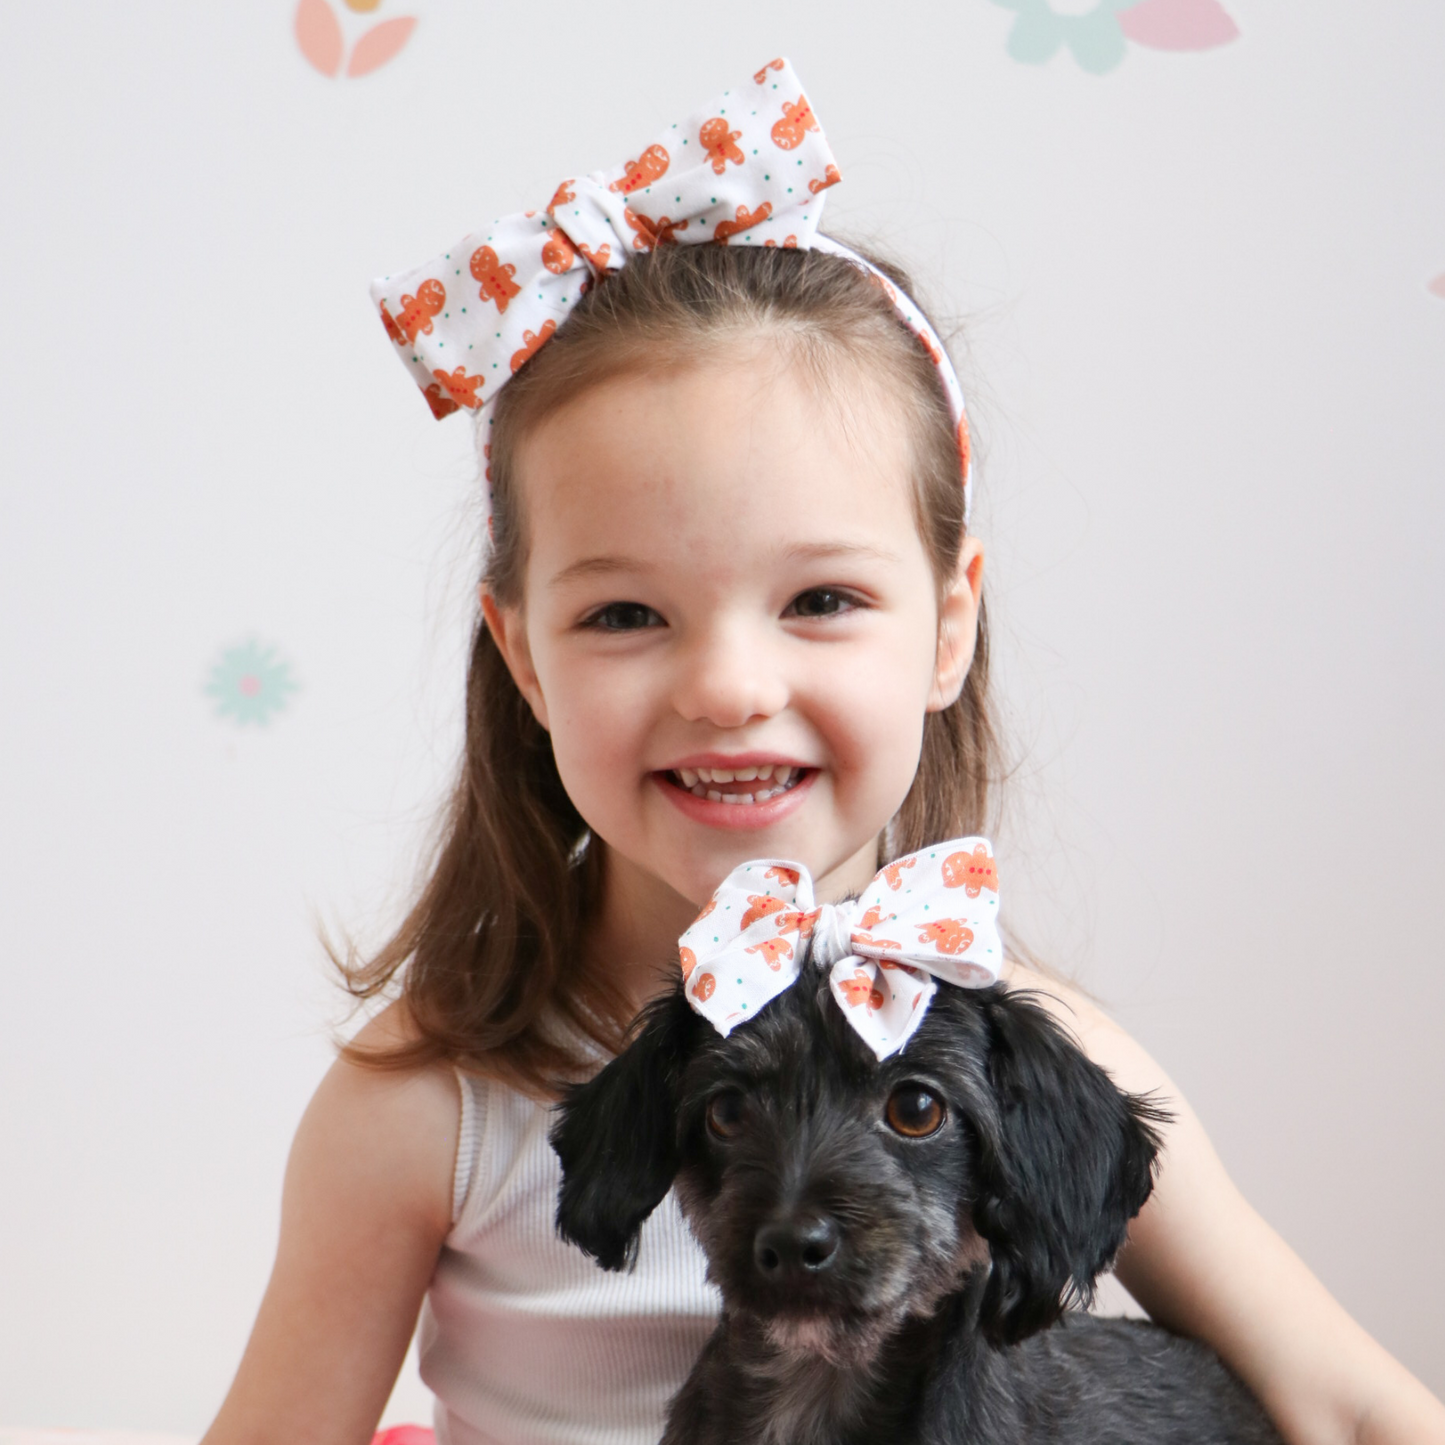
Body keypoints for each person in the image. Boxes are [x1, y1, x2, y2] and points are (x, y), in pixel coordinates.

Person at [201, 60, 1445, 1445]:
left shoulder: (1033, 1042)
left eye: (820, 601)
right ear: (523, 661)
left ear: (947, 627)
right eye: (626, 614)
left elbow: (1342, 1403)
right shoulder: (423, 1109)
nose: (731, 687)